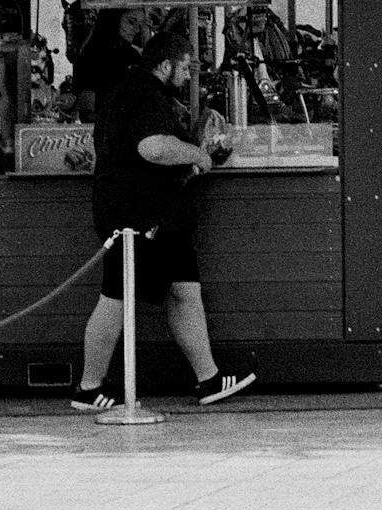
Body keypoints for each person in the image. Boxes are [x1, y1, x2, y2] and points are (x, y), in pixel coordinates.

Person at [71, 30, 255, 410]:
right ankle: (88, 388)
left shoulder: (127, 90)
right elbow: (152, 147)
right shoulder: (146, 95)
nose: (188, 76)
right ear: (166, 65)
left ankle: (209, 379)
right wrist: (198, 154)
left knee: (184, 291)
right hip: (139, 218)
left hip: (157, 216)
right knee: (115, 298)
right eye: (185, 68)